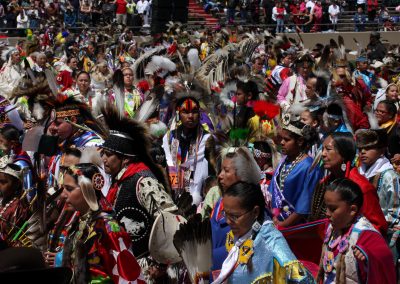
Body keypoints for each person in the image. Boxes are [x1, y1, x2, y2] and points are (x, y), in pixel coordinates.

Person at [100, 105, 177, 258]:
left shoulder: (143, 181)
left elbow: (170, 220)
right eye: (103, 154)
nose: (103, 159)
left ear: (125, 158)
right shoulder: (119, 180)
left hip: (145, 265)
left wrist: (159, 262)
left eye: (108, 155)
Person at [212, 182, 315, 283]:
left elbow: (302, 279)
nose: (228, 221)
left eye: (235, 216)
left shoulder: (271, 241)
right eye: (225, 214)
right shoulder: (240, 235)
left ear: (255, 212)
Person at [60, 162, 145, 283]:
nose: (63, 195)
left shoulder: (109, 228)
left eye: (69, 189)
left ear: (87, 189)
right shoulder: (77, 221)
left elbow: (127, 276)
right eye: (63, 188)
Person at [317, 178, 395, 283]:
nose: (327, 213)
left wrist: (367, 258)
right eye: (326, 207)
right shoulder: (332, 227)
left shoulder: (367, 236)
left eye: (332, 209)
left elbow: (384, 267)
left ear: (352, 210)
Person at [310, 132, 388, 235]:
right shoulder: (325, 183)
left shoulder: (362, 188)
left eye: (328, 149)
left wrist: (360, 246)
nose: (323, 154)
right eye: (323, 149)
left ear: (343, 154)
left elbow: (378, 227)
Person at [209, 147, 261, 279]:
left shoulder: (253, 209)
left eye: (226, 171)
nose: (220, 175)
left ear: (242, 174)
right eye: (220, 170)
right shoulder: (220, 201)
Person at [268, 114, 322, 227]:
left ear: (300, 141)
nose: (282, 142)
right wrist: (274, 217)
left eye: (287, 139)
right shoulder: (283, 161)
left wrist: (283, 224)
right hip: (275, 220)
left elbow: (305, 203)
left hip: (295, 227)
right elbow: (272, 192)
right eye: (281, 138)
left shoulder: (310, 167)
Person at [163, 95, 216, 205]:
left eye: (194, 111)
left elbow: (212, 172)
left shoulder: (207, 139)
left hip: (199, 195)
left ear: (199, 114)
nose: (190, 116)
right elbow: (168, 165)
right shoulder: (169, 138)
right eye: (185, 112)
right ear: (178, 114)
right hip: (173, 191)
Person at [355, 128, 400, 259]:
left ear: (381, 151)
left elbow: (395, 212)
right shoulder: (359, 172)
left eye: (368, 148)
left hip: (384, 235)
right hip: (360, 231)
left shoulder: (389, 176)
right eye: (360, 148)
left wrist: (377, 232)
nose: (363, 152)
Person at [0, 157, 31, 246]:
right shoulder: (3, 200)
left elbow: (14, 237)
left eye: (3, 182)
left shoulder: (18, 207)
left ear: (16, 185)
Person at [0, 125, 34, 201]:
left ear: (12, 144)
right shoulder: (13, 158)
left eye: (1, 141)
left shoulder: (21, 164)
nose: (0, 145)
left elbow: (28, 193)